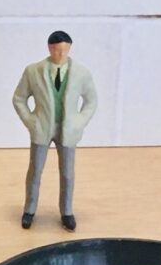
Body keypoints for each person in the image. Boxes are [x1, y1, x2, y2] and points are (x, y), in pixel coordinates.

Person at [12, 30, 97, 231]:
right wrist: (30, 121)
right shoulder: (33, 71)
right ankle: (29, 209)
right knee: (35, 171)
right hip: (42, 128)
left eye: (65, 50)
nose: (61, 54)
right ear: (50, 48)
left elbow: (91, 101)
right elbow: (19, 98)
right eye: (57, 50)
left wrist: (80, 122)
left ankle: (66, 211)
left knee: (67, 173)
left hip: (68, 129)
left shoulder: (81, 73)